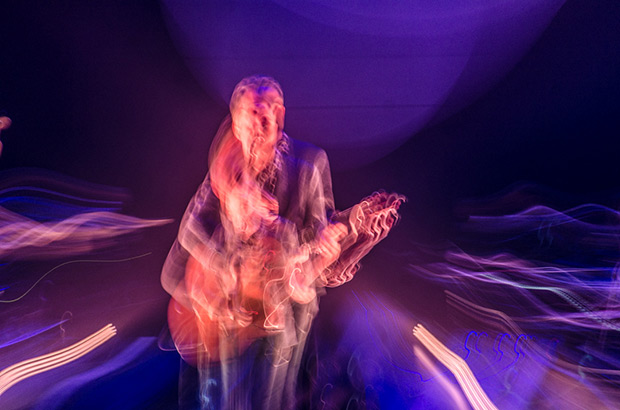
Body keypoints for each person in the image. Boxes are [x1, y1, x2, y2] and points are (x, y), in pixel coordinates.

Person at [161, 75, 403, 409]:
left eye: (262, 116)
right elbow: (191, 228)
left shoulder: (309, 164)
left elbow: (320, 234)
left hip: (285, 307)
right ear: (234, 123)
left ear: (279, 116)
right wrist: (227, 269)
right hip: (232, 313)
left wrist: (347, 228)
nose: (255, 129)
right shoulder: (229, 169)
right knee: (226, 401)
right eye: (246, 120)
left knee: (271, 400)